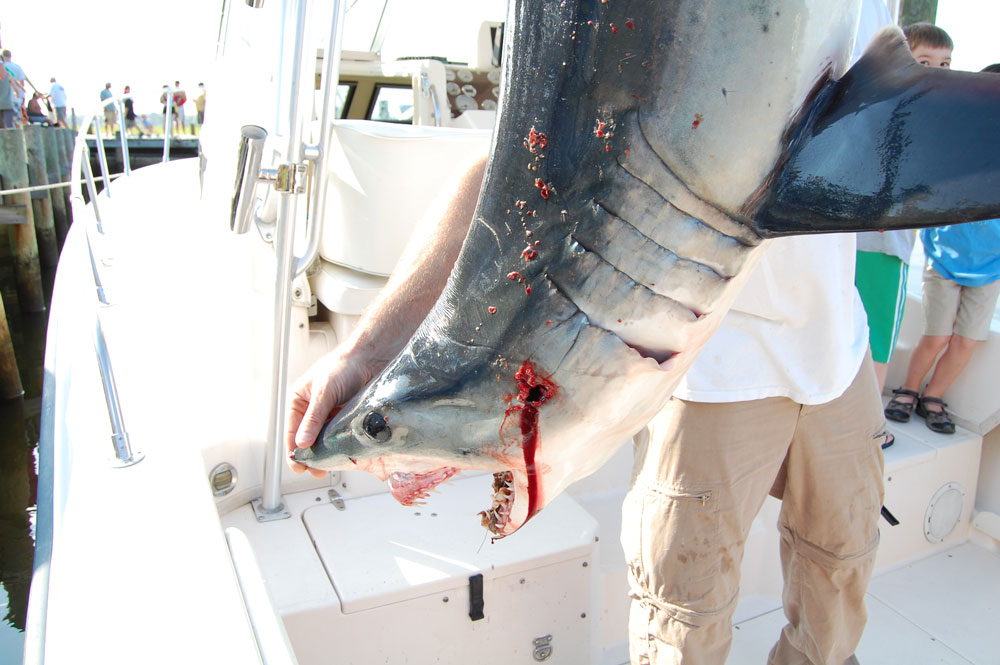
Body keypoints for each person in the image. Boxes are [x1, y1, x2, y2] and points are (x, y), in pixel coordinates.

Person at [854, 21, 951, 449]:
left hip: (856, 244)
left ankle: (858, 420)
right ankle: (868, 426)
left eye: (945, 64)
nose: (937, 70)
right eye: (924, 61)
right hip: (881, 249)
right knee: (877, 340)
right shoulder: (915, 119)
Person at [2, 50, 28, 128]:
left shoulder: (2, 66)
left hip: (4, 99)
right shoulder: (17, 67)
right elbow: (22, 83)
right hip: (16, 99)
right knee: (17, 123)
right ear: (10, 56)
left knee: (5, 125)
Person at [0, 55, 16, 129]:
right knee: (9, 128)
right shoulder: (8, 75)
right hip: (8, 104)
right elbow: (15, 89)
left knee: (2, 129)